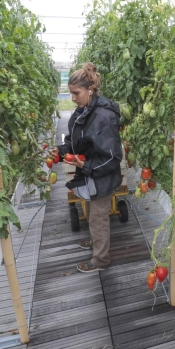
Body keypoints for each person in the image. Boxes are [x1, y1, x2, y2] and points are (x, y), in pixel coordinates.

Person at [49, 63, 123, 273]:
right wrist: (61, 151)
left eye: (76, 93)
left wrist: (86, 164)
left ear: (90, 90)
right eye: (70, 93)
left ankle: (101, 260)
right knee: (91, 213)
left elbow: (113, 157)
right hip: (90, 174)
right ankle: (95, 242)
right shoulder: (83, 111)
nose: (72, 98)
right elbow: (74, 141)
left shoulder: (104, 117)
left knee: (98, 219)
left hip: (102, 177)